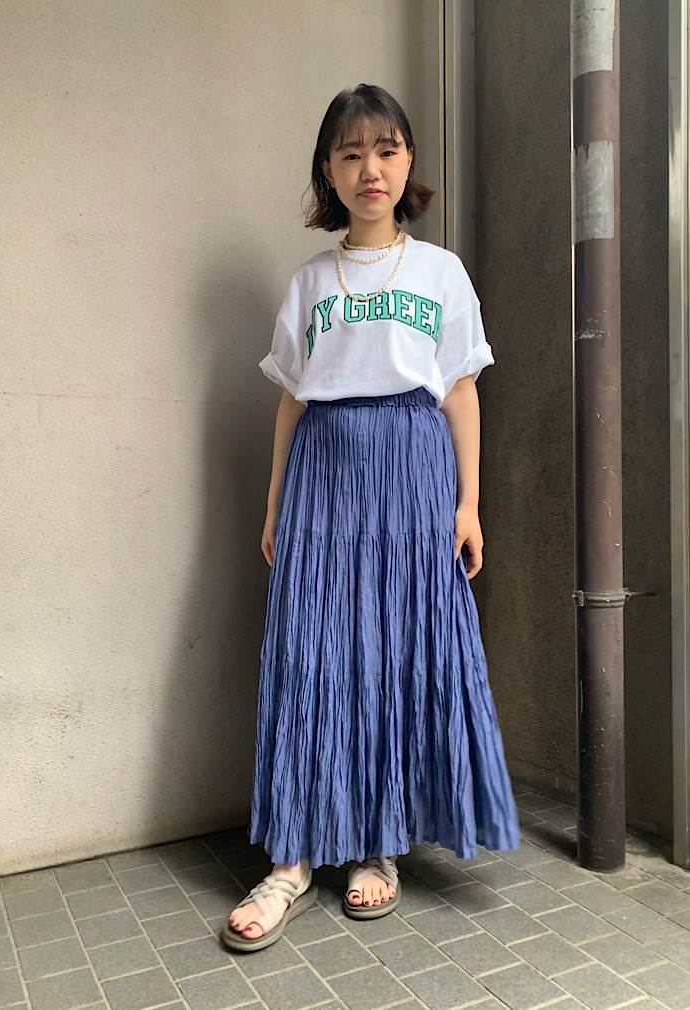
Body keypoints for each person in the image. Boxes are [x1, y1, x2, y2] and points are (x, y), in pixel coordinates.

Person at [221, 83, 520, 953]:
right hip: (324, 473)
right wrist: (275, 500)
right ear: (329, 170)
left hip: (414, 473)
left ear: (408, 160)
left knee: (392, 652)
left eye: (385, 150)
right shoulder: (311, 281)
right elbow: (292, 397)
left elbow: (460, 390)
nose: (370, 169)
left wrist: (469, 503)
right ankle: (290, 862)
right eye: (350, 154)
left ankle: (377, 846)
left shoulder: (441, 273)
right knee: (311, 653)